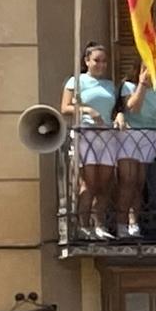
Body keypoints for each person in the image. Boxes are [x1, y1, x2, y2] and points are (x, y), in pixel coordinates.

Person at [62, 42, 120, 240]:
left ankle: (99, 225)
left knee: (105, 183)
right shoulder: (76, 81)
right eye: (96, 60)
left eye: (104, 61)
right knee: (88, 183)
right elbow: (65, 107)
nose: (101, 65)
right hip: (86, 133)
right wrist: (87, 110)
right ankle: (82, 225)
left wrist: (119, 116)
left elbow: (114, 108)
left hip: (107, 135)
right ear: (87, 61)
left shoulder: (110, 85)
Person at [115, 65, 156, 239]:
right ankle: (121, 223)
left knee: (139, 182)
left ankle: (134, 223)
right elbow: (132, 108)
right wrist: (142, 85)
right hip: (129, 134)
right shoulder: (128, 86)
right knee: (127, 180)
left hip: (148, 135)